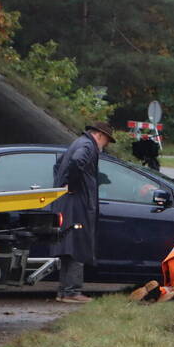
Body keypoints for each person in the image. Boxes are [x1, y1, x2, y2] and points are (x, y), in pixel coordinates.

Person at [49, 122, 115, 303]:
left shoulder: (77, 142)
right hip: (76, 204)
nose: (106, 145)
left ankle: (64, 291)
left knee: (68, 247)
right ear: (100, 135)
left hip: (66, 203)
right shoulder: (87, 146)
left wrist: (60, 184)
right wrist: (73, 186)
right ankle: (72, 292)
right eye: (107, 140)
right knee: (77, 245)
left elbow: (59, 164)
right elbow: (77, 162)